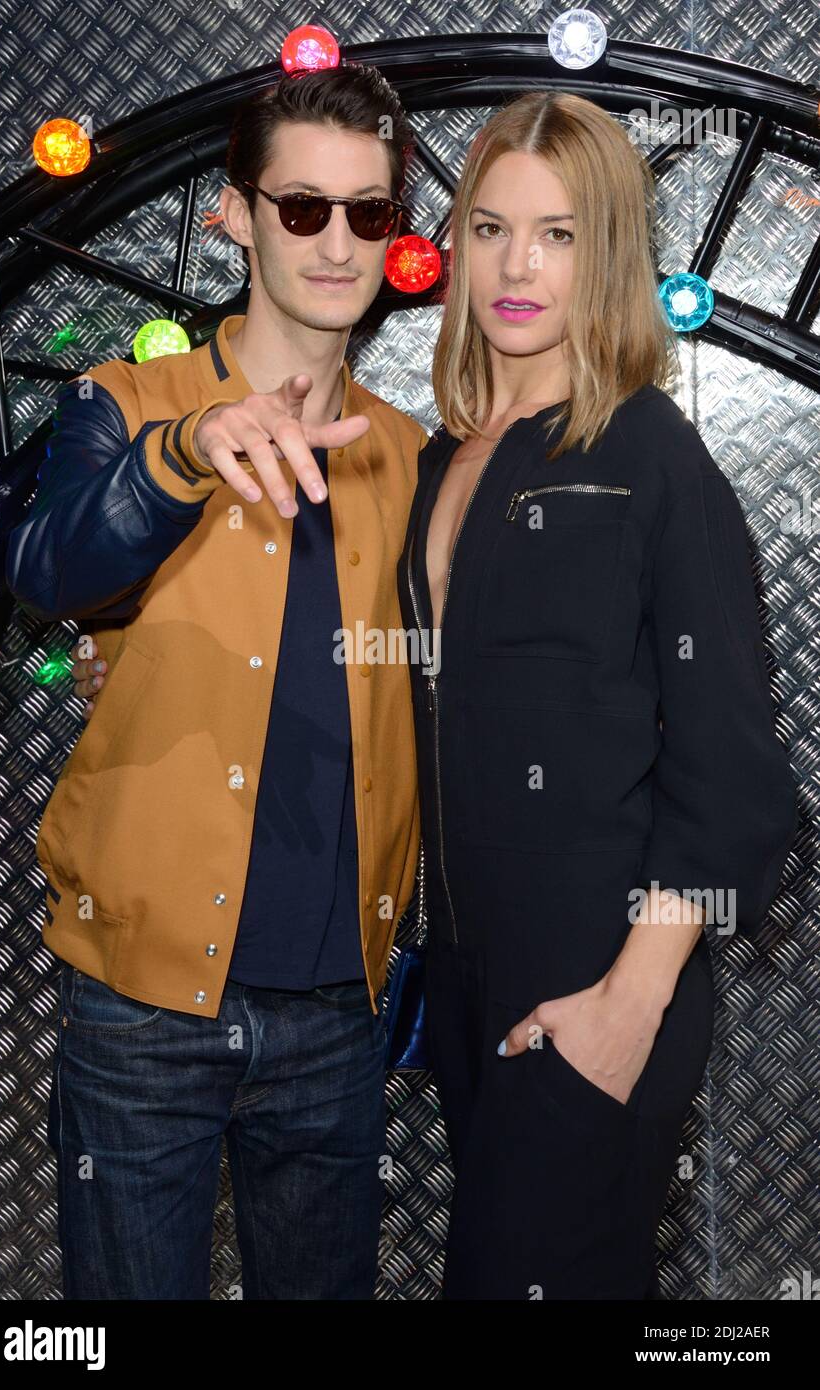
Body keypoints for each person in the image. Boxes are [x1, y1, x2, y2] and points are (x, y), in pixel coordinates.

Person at [5, 63, 430, 1300]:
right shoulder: (128, 404)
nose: (338, 241)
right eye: (303, 209)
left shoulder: (407, 455)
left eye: (368, 212)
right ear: (233, 215)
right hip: (142, 1012)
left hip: (337, 1022)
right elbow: (52, 568)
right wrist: (186, 456)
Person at [394, 90, 799, 1299]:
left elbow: (732, 769)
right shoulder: (444, 455)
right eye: (489, 227)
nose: (518, 266)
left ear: (606, 252)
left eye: (559, 234)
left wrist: (629, 997)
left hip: (598, 971)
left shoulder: (646, 453)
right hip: (465, 967)